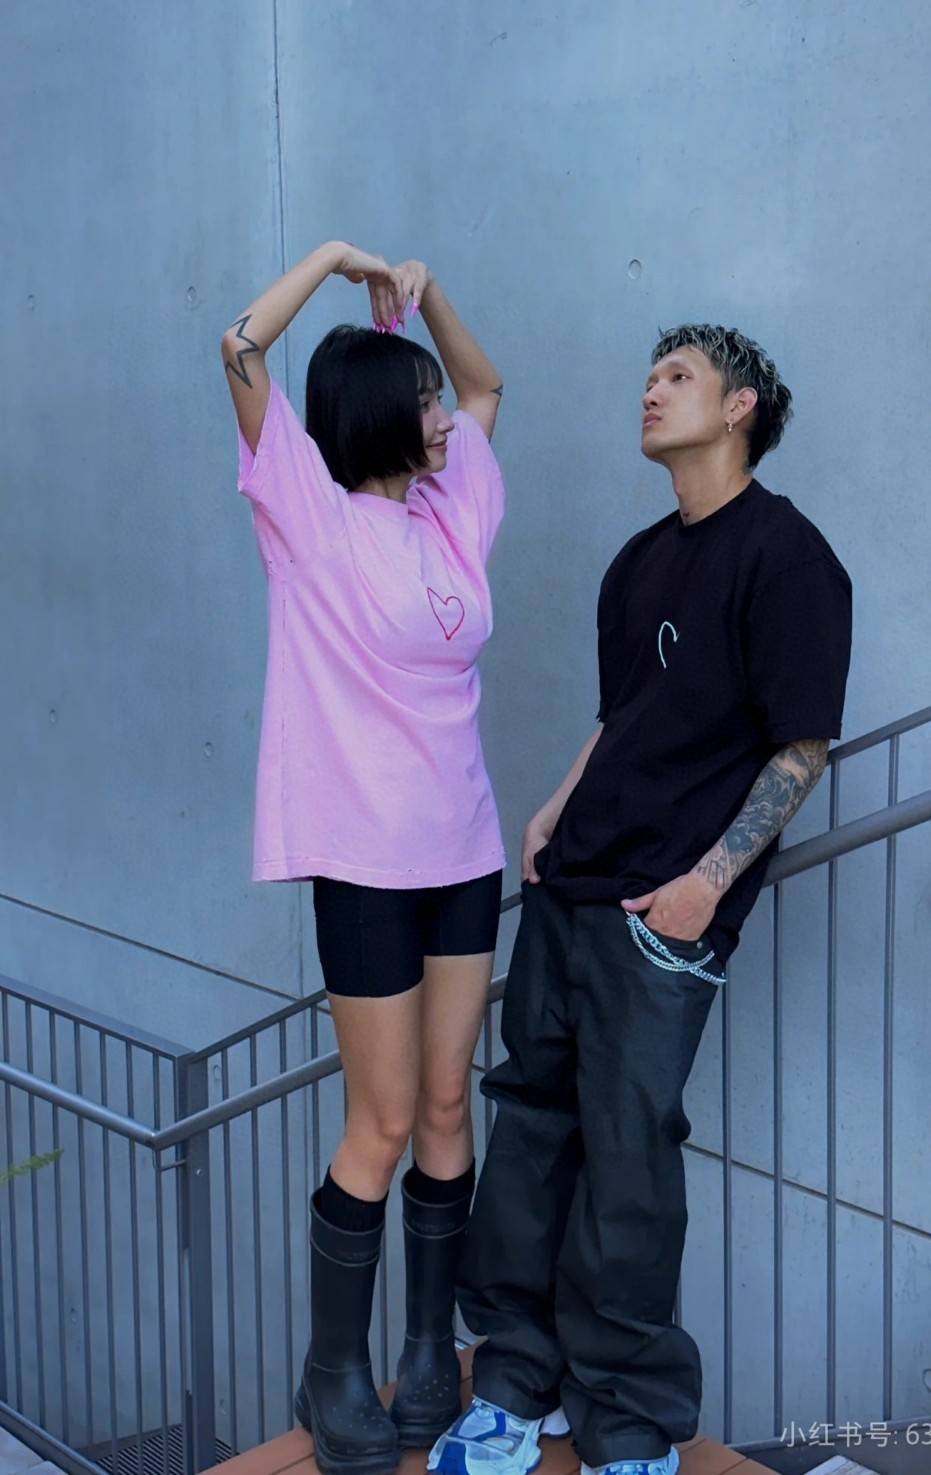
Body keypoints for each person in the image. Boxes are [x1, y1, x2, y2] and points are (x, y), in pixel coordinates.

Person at [430, 324, 853, 1475]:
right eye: (650, 375)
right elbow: (625, 717)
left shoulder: (789, 558)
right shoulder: (634, 562)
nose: (651, 392)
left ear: (741, 405)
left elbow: (802, 746)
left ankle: (625, 1415)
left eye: (678, 376)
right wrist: (554, 808)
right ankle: (514, 1381)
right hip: (569, 886)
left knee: (628, 1157)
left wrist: (707, 883)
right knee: (532, 1132)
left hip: (662, 912)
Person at [221, 240, 507, 1475]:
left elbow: (488, 387)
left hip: (466, 853)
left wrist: (425, 299)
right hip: (365, 865)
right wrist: (336, 261)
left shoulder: (453, 507)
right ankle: (334, 1365)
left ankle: (430, 1344)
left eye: (433, 398)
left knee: (447, 1104)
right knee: (382, 1120)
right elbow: (241, 347)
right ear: (382, 414)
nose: (444, 413)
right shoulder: (308, 515)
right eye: (422, 400)